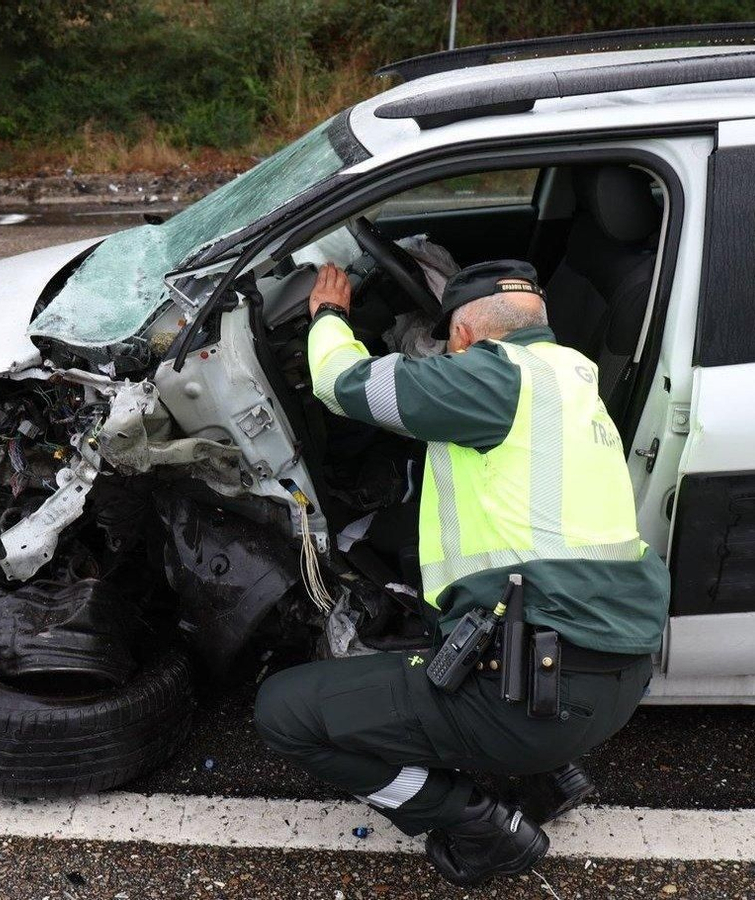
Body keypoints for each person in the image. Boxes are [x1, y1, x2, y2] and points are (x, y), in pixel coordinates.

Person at [254, 258, 671, 886]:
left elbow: (342, 383)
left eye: (450, 343)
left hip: (538, 697)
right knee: (451, 609)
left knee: (284, 713)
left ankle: (479, 826)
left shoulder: (492, 375)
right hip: (616, 679)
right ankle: (549, 777)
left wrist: (329, 317)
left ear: (466, 336)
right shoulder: (572, 376)